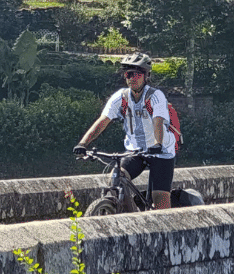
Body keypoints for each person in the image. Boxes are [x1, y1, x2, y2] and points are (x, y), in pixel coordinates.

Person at [73, 52, 176, 209]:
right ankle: (127, 213)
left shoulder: (155, 96)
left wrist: (158, 143)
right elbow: (103, 121)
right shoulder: (120, 97)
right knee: (117, 177)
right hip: (135, 151)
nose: (131, 78)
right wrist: (83, 143)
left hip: (161, 151)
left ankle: (167, 230)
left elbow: (158, 121)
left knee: (159, 198)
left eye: (136, 74)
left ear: (146, 76)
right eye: (128, 74)